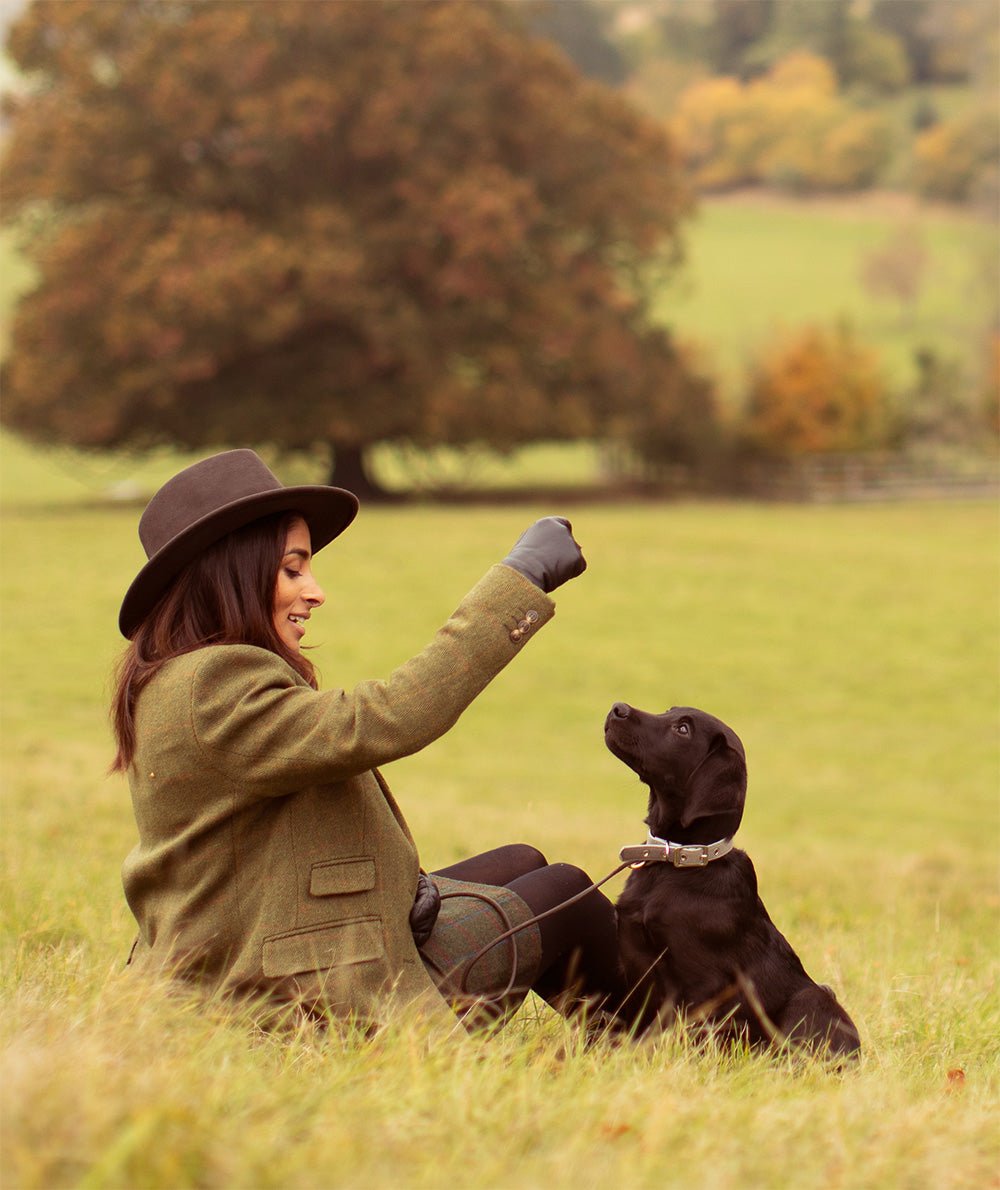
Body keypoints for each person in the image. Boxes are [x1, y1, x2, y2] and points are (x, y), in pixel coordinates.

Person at [113, 449, 626, 1033]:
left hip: (260, 951)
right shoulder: (213, 684)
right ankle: (673, 1043)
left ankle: (609, 1038)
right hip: (298, 996)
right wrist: (520, 579)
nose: (315, 591)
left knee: (523, 862)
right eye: (292, 569)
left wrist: (402, 889)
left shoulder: (174, 680)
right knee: (565, 891)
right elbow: (383, 718)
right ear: (229, 572)